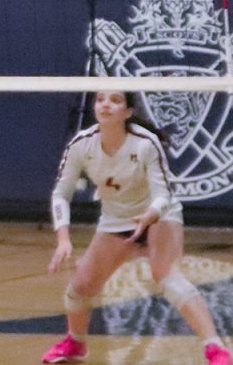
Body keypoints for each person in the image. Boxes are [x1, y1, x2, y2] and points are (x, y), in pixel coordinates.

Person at [41, 90, 231, 365]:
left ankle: (215, 349)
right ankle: (75, 343)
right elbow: (61, 193)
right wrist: (63, 239)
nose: (106, 104)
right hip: (115, 221)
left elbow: (164, 195)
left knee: (166, 276)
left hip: (158, 215)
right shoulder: (82, 145)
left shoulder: (145, 143)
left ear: (127, 112)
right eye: (100, 99)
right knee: (80, 287)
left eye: (115, 100)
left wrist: (149, 216)